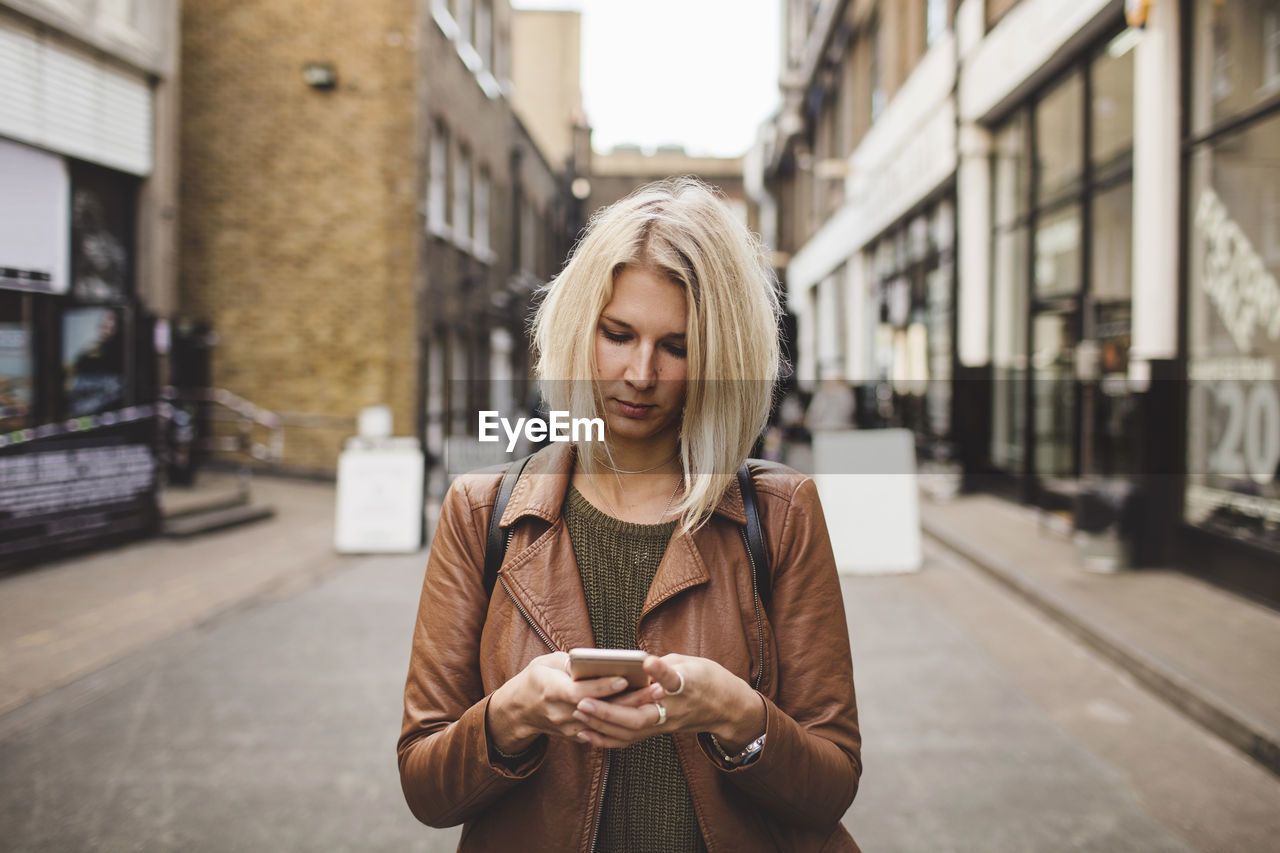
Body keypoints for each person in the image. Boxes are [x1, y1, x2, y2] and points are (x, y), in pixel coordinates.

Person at [398, 178, 862, 851]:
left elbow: (831, 785)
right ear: (579, 326)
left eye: (675, 346)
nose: (640, 372)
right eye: (618, 334)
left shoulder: (783, 513)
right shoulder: (480, 513)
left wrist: (735, 713)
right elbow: (425, 786)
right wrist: (515, 711)